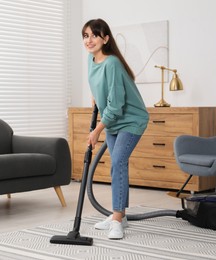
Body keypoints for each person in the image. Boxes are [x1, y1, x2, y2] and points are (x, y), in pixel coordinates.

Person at [82, 18, 149, 239]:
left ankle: (117, 220)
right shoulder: (92, 60)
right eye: (86, 35)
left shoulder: (112, 63)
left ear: (106, 38)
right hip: (114, 120)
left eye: (94, 35)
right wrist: (95, 97)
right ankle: (122, 215)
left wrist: (97, 129)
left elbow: (117, 104)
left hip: (131, 119)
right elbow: (101, 85)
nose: (89, 40)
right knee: (118, 164)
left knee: (118, 162)